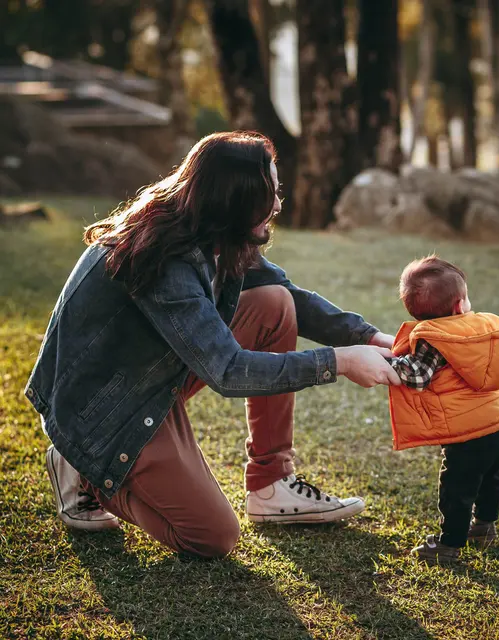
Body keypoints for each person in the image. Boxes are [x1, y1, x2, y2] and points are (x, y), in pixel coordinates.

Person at [25, 131, 401, 559]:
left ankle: (271, 484)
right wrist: (341, 362)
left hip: (150, 373)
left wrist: (370, 337)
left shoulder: (211, 223)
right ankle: (86, 471)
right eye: (268, 194)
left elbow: (286, 294)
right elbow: (227, 369)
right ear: (233, 197)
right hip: (105, 407)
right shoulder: (166, 256)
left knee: (274, 304)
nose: (278, 205)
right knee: (212, 536)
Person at [387, 255, 499, 565]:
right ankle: (484, 527)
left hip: (466, 432)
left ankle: (448, 545)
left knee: (457, 488)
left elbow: (418, 376)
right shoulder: (485, 327)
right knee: (490, 479)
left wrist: (389, 363)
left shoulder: (436, 339)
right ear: (460, 306)